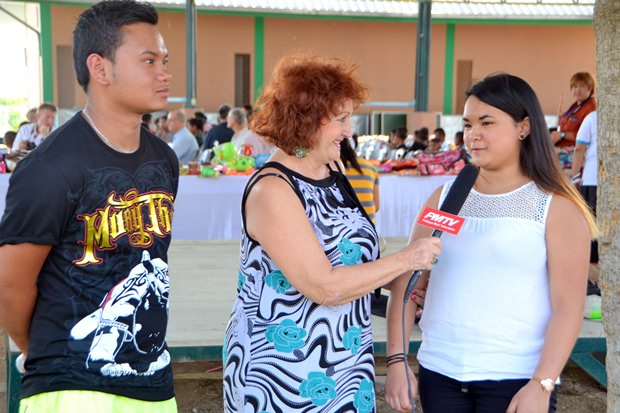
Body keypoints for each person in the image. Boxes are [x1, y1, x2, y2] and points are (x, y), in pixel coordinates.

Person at [223, 54, 442, 413]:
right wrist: (408, 258)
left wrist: (417, 277)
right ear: (304, 120)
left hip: (346, 362)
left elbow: (357, 262)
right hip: (283, 373)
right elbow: (325, 286)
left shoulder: (333, 176)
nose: (348, 130)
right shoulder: (273, 188)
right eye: (340, 119)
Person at [0, 1, 179, 412]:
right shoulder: (52, 167)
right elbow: (10, 284)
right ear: (100, 68)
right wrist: (42, 348)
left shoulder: (163, 161)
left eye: (164, 60)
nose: (164, 72)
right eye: (148, 60)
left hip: (153, 382)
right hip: (71, 388)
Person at [385, 73, 597, 413]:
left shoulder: (555, 206)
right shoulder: (445, 197)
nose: (474, 135)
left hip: (516, 381)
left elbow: (568, 307)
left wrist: (541, 384)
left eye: (487, 122)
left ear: (523, 127)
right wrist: (397, 361)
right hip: (440, 374)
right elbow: (408, 285)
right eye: (468, 124)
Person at [571, 110, 601, 301]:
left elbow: (579, 148)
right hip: (609, 181)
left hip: (592, 179)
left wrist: (573, 175)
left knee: (591, 229)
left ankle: (591, 279)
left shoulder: (592, 117)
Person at [551, 72, 596, 149]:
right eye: (575, 87)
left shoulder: (592, 108)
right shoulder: (576, 105)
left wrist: (562, 135)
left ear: (590, 88)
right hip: (561, 145)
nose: (577, 90)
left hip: (574, 150)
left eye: (582, 86)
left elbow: (586, 135)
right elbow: (567, 119)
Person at [340, 137, 380, 223]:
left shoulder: (330, 169)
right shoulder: (370, 167)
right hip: (369, 226)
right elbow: (376, 206)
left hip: (343, 228)